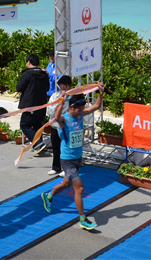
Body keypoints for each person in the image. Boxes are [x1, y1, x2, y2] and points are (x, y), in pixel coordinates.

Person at [41, 83, 104, 230]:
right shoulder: (65, 120)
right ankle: (83, 219)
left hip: (77, 158)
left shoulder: (80, 115)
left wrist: (101, 93)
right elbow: (56, 117)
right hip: (67, 160)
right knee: (79, 189)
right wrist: (62, 100)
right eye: (78, 110)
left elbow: (95, 107)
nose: (80, 112)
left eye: (82, 110)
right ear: (70, 108)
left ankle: (48, 196)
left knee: (65, 184)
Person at [16, 54, 49, 150]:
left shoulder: (27, 74)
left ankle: (37, 142)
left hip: (30, 105)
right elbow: (47, 88)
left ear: (29, 62)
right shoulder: (44, 74)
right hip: (42, 105)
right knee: (37, 125)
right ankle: (40, 145)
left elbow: (19, 87)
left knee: (24, 125)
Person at [46, 75, 72, 176]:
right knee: (56, 147)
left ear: (69, 86)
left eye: (65, 85)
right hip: (54, 125)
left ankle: (67, 169)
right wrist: (59, 101)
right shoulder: (55, 96)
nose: (62, 87)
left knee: (65, 148)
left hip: (66, 126)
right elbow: (49, 111)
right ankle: (56, 167)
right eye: (61, 85)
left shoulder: (72, 97)